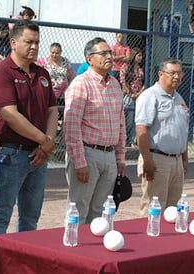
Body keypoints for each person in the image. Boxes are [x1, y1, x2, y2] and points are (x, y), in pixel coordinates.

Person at [0, 20, 58, 249]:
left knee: (30, 217)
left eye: (37, 42)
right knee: (0, 216)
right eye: (28, 42)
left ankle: (24, 263)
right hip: (10, 154)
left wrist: (48, 143)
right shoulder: (1, 72)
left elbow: (52, 110)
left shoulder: (42, 73)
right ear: (14, 43)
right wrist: (44, 141)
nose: (34, 46)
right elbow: (10, 115)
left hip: (38, 155)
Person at [64, 37, 126, 225]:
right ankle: (73, 251)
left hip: (109, 156)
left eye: (110, 53)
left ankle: (94, 253)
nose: (109, 56)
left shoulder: (115, 85)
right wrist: (79, 161)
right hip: (87, 154)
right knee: (78, 209)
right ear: (89, 59)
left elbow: (121, 123)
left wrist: (120, 157)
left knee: (101, 212)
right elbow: (72, 125)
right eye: (103, 53)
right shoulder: (80, 83)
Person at [135, 58, 189, 217]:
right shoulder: (150, 96)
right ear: (160, 74)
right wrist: (147, 160)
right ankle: (147, 240)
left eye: (179, 73)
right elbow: (141, 129)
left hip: (176, 161)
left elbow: (183, 131)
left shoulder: (179, 98)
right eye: (172, 73)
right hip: (157, 159)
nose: (177, 77)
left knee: (174, 211)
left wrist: (184, 159)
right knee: (153, 208)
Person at [120, 47, 145, 147]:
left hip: (138, 96)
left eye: (141, 56)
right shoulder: (125, 66)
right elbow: (123, 82)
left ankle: (131, 140)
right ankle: (124, 139)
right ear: (134, 56)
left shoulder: (140, 69)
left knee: (136, 119)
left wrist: (138, 93)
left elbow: (143, 82)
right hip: (128, 96)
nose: (141, 58)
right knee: (129, 119)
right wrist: (131, 94)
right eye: (139, 55)